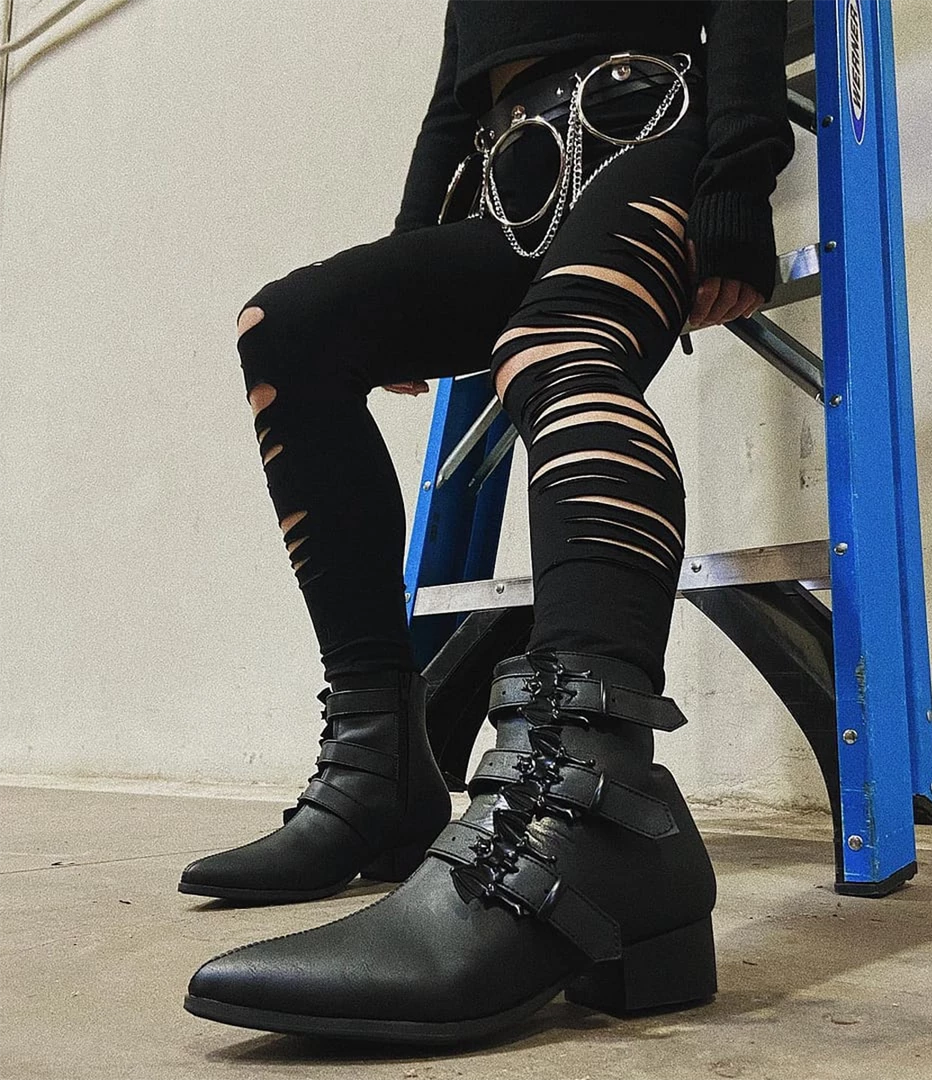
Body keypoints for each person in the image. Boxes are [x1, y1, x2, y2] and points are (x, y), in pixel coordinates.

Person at [181, 0, 794, 1045]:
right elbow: (450, 97)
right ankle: (377, 763)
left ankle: (590, 800)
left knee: (555, 347)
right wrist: (410, 246)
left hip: (654, 140)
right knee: (287, 330)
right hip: (507, 187)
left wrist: (738, 174)